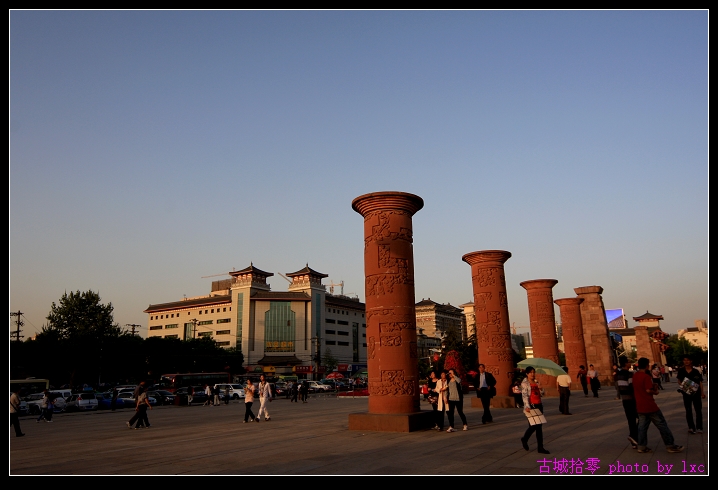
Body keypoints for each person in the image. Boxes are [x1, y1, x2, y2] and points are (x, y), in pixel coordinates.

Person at [633, 357, 683, 453]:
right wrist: (655, 391)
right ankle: (670, 445)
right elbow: (648, 390)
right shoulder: (646, 377)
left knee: (642, 427)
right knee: (662, 425)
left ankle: (641, 446)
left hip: (640, 405)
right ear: (647, 366)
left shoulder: (635, 376)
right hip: (650, 406)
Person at [520, 367, 549, 454]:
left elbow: (542, 394)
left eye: (533, 372)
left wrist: (540, 388)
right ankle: (524, 439)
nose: (532, 374)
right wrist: (527, 406)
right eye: (530, 372)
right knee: (534, 426)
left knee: (539, 427)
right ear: (527, 374)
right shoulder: (525, 383)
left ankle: (540, 447)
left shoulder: (536, 382)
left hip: (539, 405)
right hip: (531, 406)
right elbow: (524, 395)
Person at [676, 355, 705, 435]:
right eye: (684, 360)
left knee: (698, 410)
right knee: (688, 410)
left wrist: (702, 392)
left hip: (696, 393)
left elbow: (700, 382)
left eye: (688, 360)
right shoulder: (681, 371)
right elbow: (679, 380)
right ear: (683, 361)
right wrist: (685, 386)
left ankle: (699, 427)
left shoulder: (696, 371)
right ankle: (691, 427)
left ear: (691, 361)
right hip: (686, 393)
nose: (686, 362)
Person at [615, 356, 638, 448]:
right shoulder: (629, 374)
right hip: (632, 399)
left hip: (625, 400)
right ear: (625, 363)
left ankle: (634, 442)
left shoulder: (618, 374)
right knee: (642, 417)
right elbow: (632, 387)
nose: (630, 363)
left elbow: (618, 387)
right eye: (629, 362)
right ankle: (633, 436)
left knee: (631, 420)